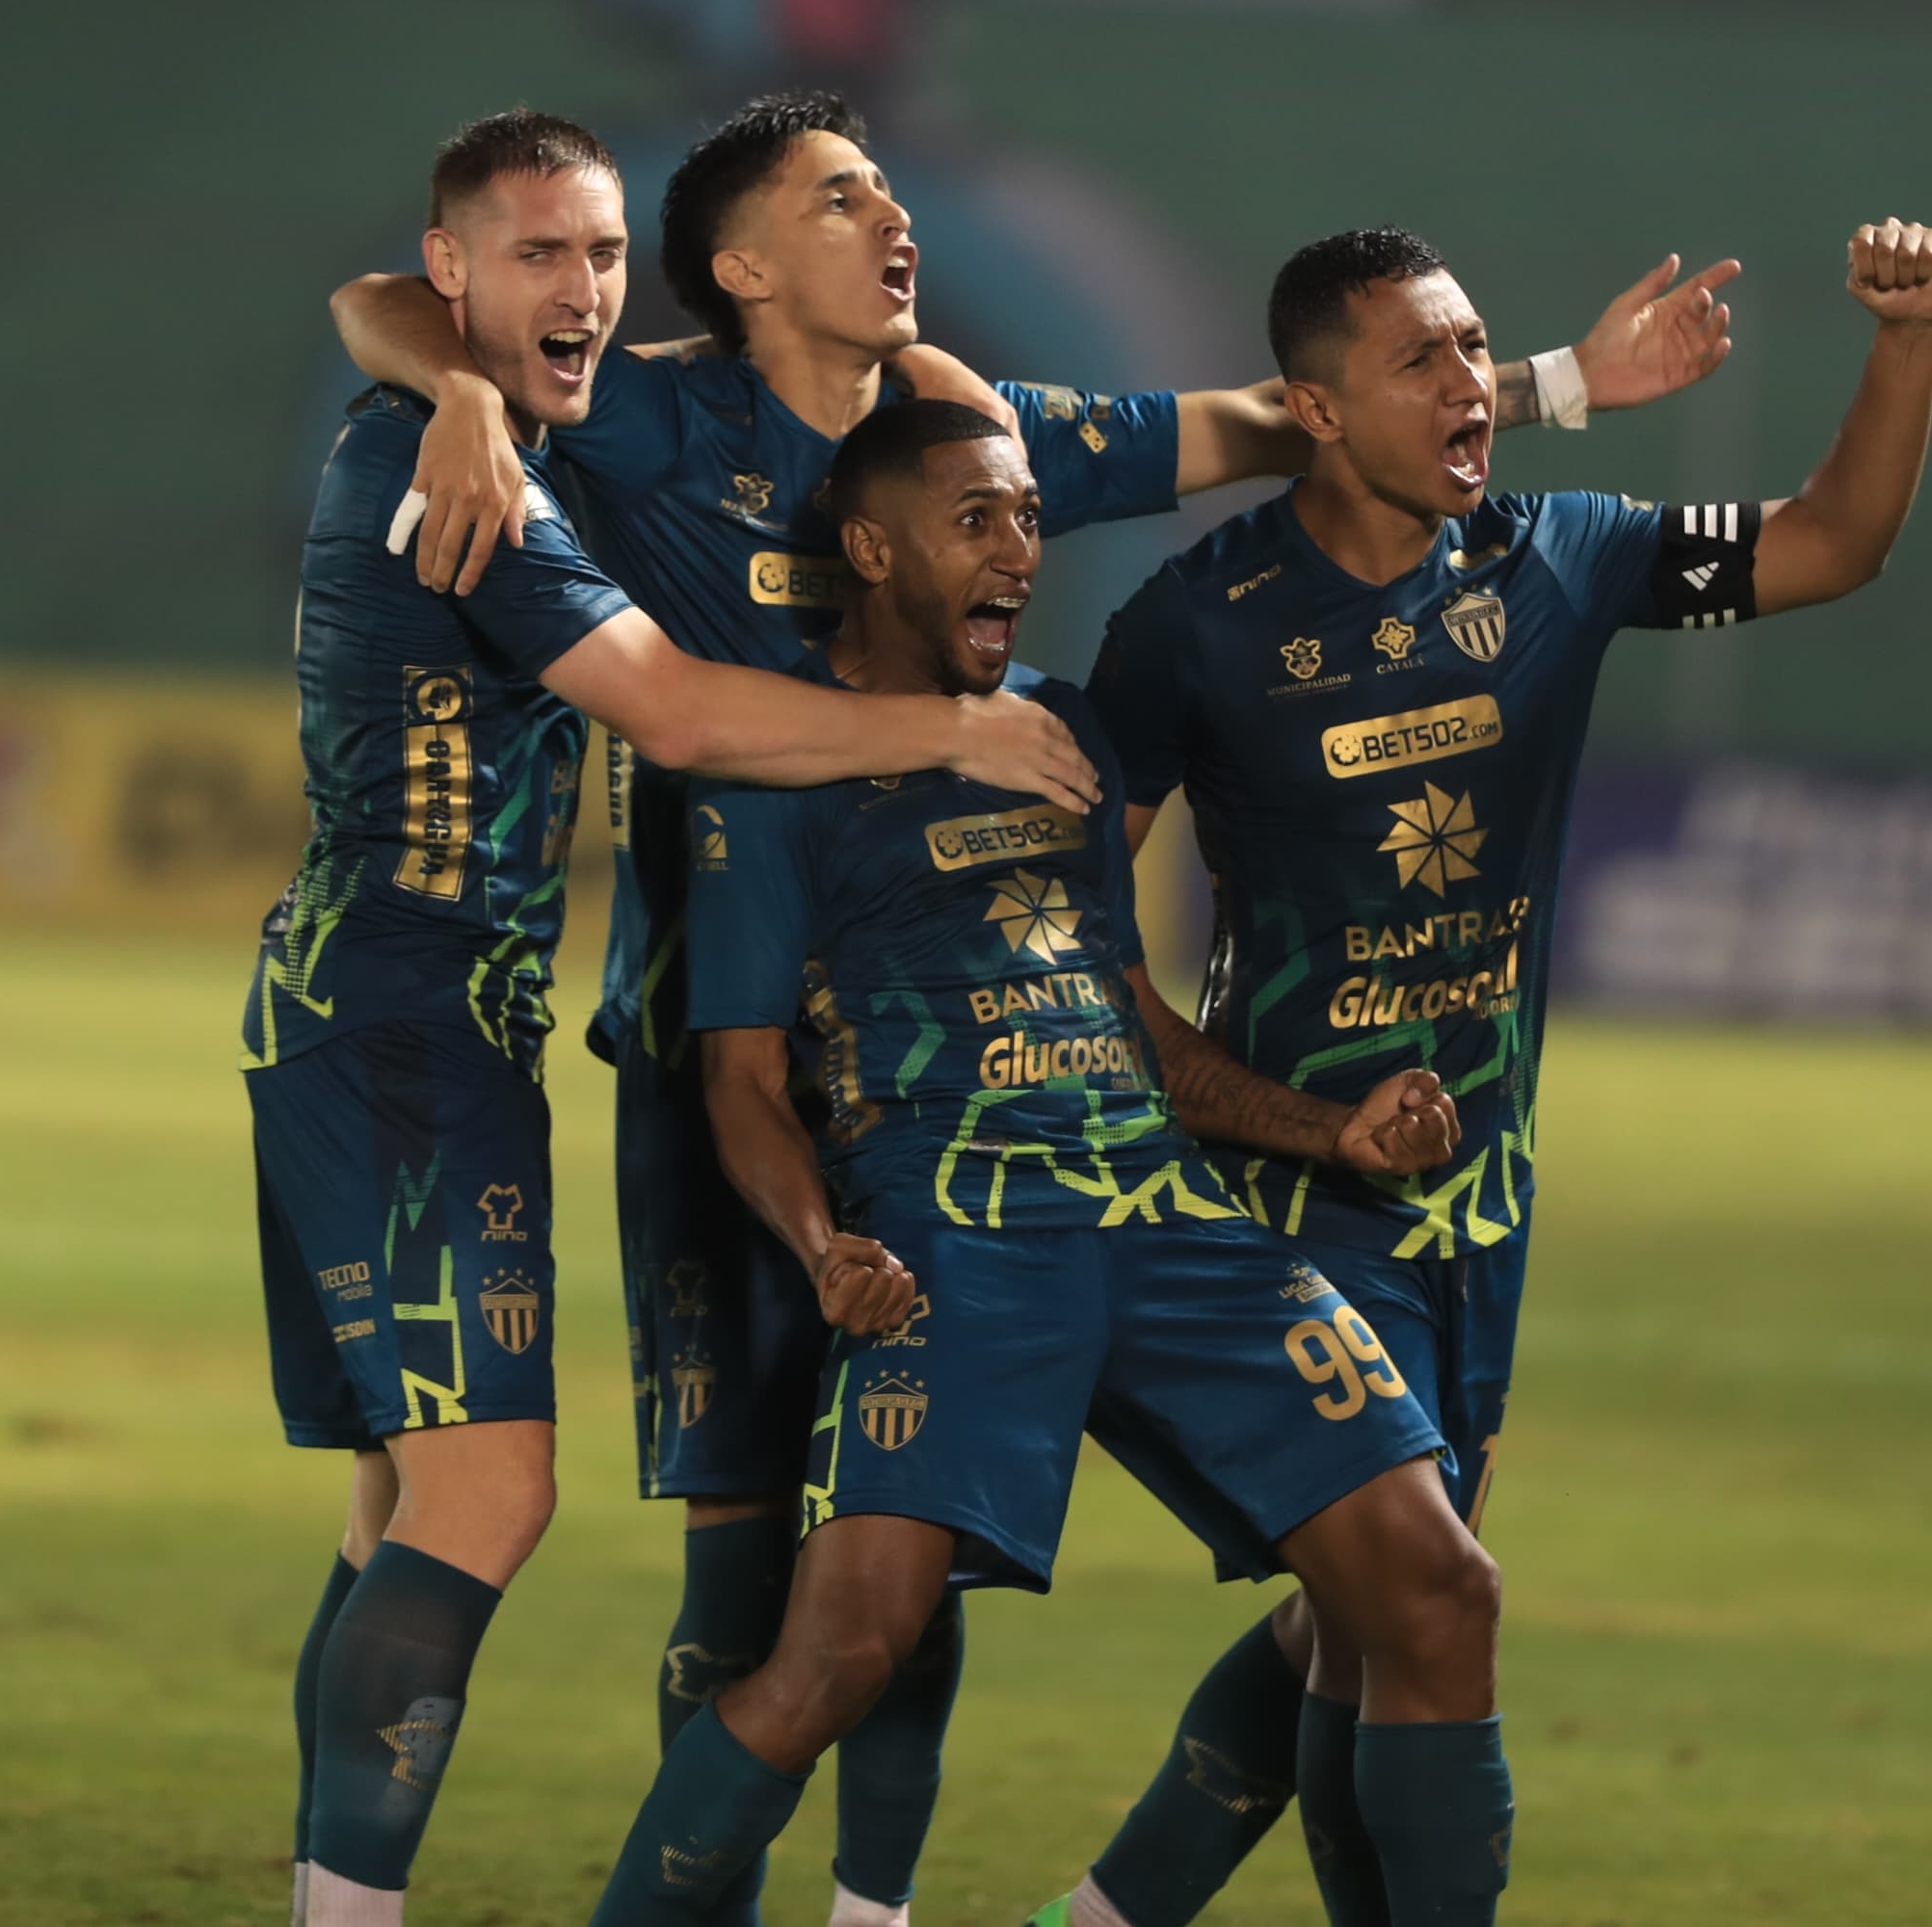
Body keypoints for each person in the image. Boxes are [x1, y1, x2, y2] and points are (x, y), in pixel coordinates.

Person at [323, 90, 1735, 1927]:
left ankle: (877, 1913)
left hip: (1013, 1125)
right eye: (842, 200)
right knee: (758, 1566)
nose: (892, 218)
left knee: (918, 1577)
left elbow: (1253, 423)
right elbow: (390, 300)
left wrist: (1548, 384)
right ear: (743, 268)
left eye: (890, 192)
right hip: (725, 1034)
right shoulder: (645, 415)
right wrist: (459, 394)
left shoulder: (985, 437)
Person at [1028, 216, 1932, 1927]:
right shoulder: (1199, 629)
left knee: (1358, 1620)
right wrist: (1314, 1126)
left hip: (1482, 1196)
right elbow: (1084, 961)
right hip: (1287, 1207)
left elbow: (1836, 541)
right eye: (1422, 360)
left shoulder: (1564, 559)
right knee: (1431, 1602)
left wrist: (1908, 339)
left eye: (1476, 351)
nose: (1470, 386)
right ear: (1313, 411)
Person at [241, 110, 1098, 1927]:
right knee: (493, 1496)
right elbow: (683, 719)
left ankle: (324, 1889)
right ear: (457, 273)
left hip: (407, 1007)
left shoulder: (504, 430)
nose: (584, 291)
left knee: (399, 1503)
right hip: (401, 1008)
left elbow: (387, 308)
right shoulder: (449, 469)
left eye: (603, 255)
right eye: (539, 255)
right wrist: (952, 728)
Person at [586, 395, 1523, 1927]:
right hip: (959, 1247)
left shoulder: (1066, 729)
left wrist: (1326, 1129)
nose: (1018, 547)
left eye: (1029, 516)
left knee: (1441, 1588)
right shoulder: (768, 781)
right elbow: (743, 1081)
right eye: (977, 520)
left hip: (1168, 1229)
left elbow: (1135, 1021)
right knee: (837, 1653)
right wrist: (826, 1244)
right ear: (873, 548)